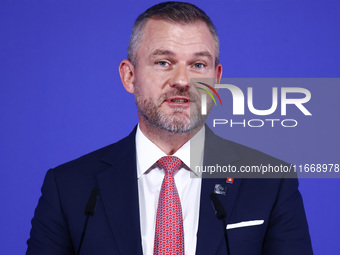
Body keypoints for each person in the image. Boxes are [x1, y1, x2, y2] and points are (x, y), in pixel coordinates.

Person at [27, 2, 313, 255]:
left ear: (216, 78)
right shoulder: (68, 188)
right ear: (129, 76)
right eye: (163, 62)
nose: (182, 81)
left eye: (198, 64)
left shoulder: (271, 182)